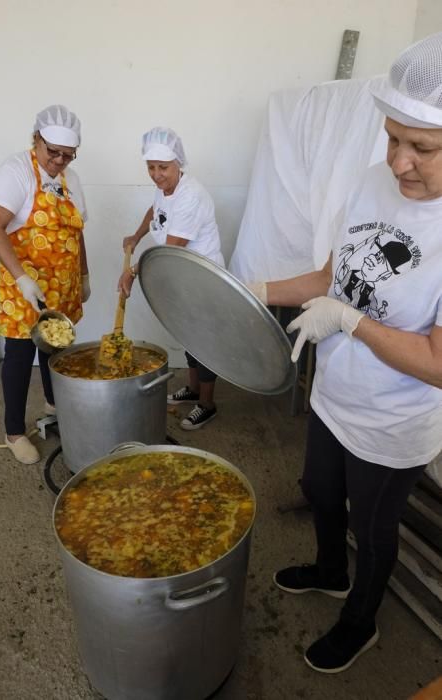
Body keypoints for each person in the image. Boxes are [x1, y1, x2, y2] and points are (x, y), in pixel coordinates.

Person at [248, 32, 442, 674]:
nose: (399, 162)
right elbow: (330, 277)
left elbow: (439, 364)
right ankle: (331, 570)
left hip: (393, 418)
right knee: (319, 490)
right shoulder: (370, 182)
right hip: (336, 394)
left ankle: (360, 623)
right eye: (392, 138)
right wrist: (254, 288)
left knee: (376, 525)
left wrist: (352, 322)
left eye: (423, 148)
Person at [0, 105, 90, 464]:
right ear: (36, 140)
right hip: (20, 284)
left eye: (68, 155)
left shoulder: (70, 179)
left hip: (60, 282)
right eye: (53, 152)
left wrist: (84, 275)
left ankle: (54, 404)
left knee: (55, 346)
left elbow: (78, 230)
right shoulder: (17, 171)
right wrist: (23, 278)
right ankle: (14, 431)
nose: (60, 161)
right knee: (20, 354)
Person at [119, 127, 225, 430]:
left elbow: (170, 248)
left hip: (201, 278)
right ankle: (192, 389)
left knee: (203, 342)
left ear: (179, 163)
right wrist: (136, 235)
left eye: (163, 167)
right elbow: (155, 210)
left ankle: (207, 404)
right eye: (151, 167)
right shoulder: (166, 188)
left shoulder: (191, 196)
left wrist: (132, 270)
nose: (156, 174)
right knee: (187, 334)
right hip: (181, 274)